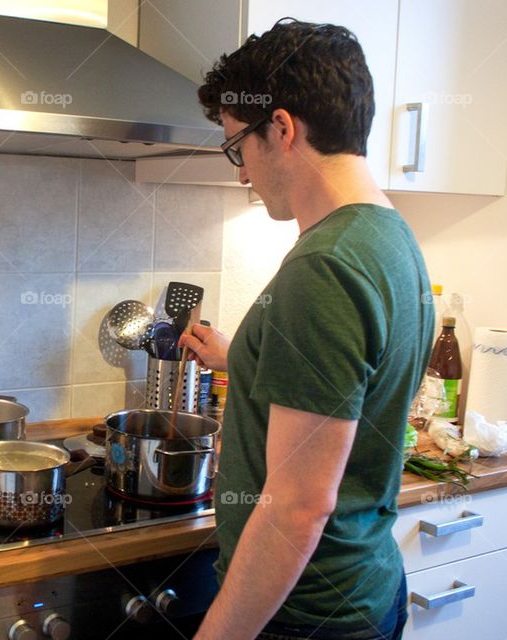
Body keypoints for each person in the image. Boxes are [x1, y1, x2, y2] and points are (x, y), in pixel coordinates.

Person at [183, 19, 433, 640]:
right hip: (365, 586)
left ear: (283, 128)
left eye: (237, 147)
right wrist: (238, 355)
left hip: (305, 611)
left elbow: (298, 507)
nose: (241, 173)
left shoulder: (324, 266)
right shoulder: (390, 238)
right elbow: (347, 387)